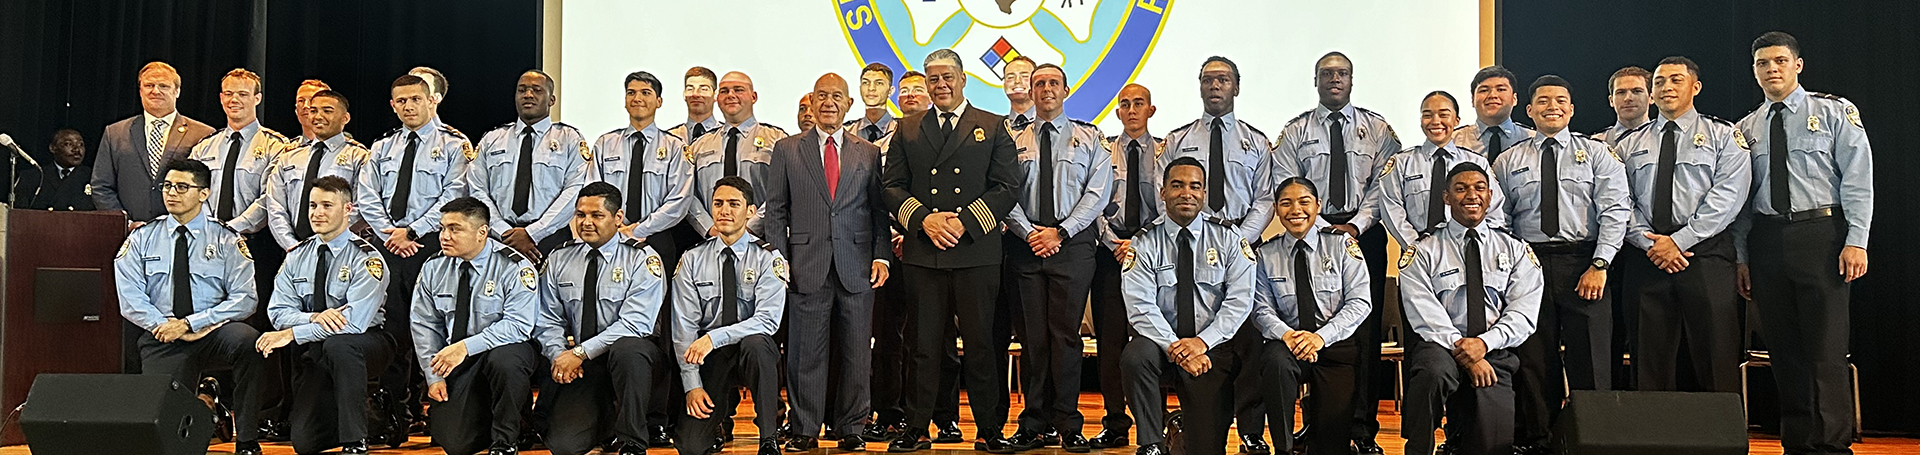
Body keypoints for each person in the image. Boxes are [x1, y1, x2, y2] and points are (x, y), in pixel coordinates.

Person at [1733, 31, 1873, 455]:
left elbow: (1857, 179)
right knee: (1784, 350)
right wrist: (1741, 256)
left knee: (1825, 349)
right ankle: (1796, 443)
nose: (1771, 69)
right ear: (1754, 71)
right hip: (1767, 239)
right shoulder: (1746, 127)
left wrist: (1857, 240)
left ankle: (1831, 445)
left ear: (1798, 65)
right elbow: (1740, 202)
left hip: (1821, 235)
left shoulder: (1832, 112)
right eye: (1762, 63)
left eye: (1779, 60)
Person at [879, 48, 1022, 453]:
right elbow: (891, 186)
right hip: (925, 251)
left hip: (975, 250)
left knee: (981, 346)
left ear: (963, 80)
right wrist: (923, 218)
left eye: (947, 77)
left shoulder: (993, 126)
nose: (940, 85)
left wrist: (965, 222)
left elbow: (1007, 186)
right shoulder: (907, 128)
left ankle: (990, 431)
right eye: (933, 79)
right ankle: (917, 429)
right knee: (922, 346)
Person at [1490, 75, 1631, 455]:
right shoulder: (1508, 161)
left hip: (1584, 262)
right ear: (1529, 110)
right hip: (1529, 265)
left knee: (1593, 360)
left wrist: (1601, 263)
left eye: (1560, 100)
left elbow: (1616, 211)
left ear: (1571, 109)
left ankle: (1595, 441)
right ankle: (1541, 440)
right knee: (1535, 361)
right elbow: (1499, 220)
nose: (1552, 106)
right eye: (1544, 101)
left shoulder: (1598, 154)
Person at [1270, 53, 1402, 454]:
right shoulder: (1295, 131)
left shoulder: (1378, 129)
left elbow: (1385, 185)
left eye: (1341, 73)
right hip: (1310, 228)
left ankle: (1361, 430)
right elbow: (1286, 183)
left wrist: (1355, 226)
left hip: (1366, 233)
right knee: (1310, 321)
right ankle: (1316, 424)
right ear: (1315, 81)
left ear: (1351, 79)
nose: (1334, 80)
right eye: (1326, 74)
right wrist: (1321, 227)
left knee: (1362, 334)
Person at [762, 73, 894, 452]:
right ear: (812, 102)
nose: (829, 103)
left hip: (857, 265)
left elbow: (877, 211)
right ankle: (804, 428)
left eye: (837, 96)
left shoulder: (867, 152)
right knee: (805, 353)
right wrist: (778, 259)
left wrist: (882, 255)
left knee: (856, 352)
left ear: (849, 104)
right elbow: (776, 211)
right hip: (805, 264)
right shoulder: (787, 149)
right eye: (822, 96)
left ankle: (852, 427)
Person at [1615, 56, 1750, 394]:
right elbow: (1619, 201)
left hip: (1705, 254)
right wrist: (1652, 243)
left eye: (1676, 80)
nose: (1666, 88)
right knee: (1648, 358)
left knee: (1716, 354)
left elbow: (1728, 197)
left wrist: (1679, 241)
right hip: (1647, 256)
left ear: (1696, 87)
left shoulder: (1724, 135)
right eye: (1659, 82)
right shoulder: (1629, 143)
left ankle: (1722, 442)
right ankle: (1652, 441)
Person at [113, 158, 263, 455]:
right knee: (168, 438)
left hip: (212, 332)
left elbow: (245, 298)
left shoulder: (226, 239)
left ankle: (246, 438)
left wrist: (193, 323)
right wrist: (164, 325)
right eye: (167, 186)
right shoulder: (143, 237)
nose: (172, 193)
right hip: (163, 334)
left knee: (250, 343)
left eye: (182, 187)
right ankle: (208, 408)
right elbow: (129, 295)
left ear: (204, 193)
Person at [999, 63, 1111, 453]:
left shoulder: (1090, 137)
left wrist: (1060, 232)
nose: (1046, 89)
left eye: (1053, 83)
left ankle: (1068, 423)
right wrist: (1030, 231)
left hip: (1073, 245)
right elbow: (1003, 192)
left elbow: (1098, 193)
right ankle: (1032, 423)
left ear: (1065, 90)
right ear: (1030, 91)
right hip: (1024, 244)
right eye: (1039, 83)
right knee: (1031, 338)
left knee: (1065, 338)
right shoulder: (1010, 139)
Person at [358, 73, 475, 445]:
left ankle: (441, 414)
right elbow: (367, 195)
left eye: (414, 99)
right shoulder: (382, 147)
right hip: (388, 248)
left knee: (436, 329)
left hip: (433, 246)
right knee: (392, 334)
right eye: (400, 101)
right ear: (393, 105)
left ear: (431, 100)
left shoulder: (454, 145)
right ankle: (395, 415)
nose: (408, 106)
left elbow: (454, 194)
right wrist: (391, 233)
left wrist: (413, 232)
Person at [1398, 162, 1542, 455]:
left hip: (1494, 350)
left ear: (1490, 196)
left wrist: (1484, 345)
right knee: (1431, 373)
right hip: (1441, 346)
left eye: (1479, 188)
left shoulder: (1514, 249)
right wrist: (1466, 351)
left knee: (1492, 446)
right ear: (1446, 197)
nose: (1470, 195)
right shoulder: (1424, 250)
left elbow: (1523, 314)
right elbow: (1423, 311)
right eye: (1460, 189)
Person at [1119, 157, 1255, 455]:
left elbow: (1239, 301)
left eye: (1195, 186)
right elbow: (1139, 306)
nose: (1186, 193)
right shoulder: (1144, 242)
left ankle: (1182, 429)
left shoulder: (1228, 238)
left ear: (1204, 193)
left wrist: (1201, 344)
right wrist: (1176, 349)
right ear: (1163, 192)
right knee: (1135, 355)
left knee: (1204, 449)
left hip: (1210, 347)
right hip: (1161, 345)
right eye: (1177, 185)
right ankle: (1151, 442)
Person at [254, 175, 392, 455]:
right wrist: (313, 318)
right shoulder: (297, 255)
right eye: (313, 205)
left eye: (327, 205)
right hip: (314, 345)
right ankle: (377, 418)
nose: (317, 213)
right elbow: (277, 312)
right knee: (306, 443)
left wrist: (294, 332)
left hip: (366, 343)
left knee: (339, 345)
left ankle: (356, 441)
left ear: (348, 209)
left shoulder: (367, 258)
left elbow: (353, 323)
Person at [534, 182, 669, 455]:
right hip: (583, 363)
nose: (586, 222)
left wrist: (580, 353)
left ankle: (632, 440)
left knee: (628, 349)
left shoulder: (641, 258)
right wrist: (559, 355)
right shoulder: (560, 257)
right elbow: (546, 318)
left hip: (633, 361)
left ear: (618, 218)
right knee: (565, 447)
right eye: (581, 215)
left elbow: (636, 323)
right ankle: (604, 427)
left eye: (597, 215)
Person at [410, 197, 543, 455]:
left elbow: (518, 326)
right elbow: (424, 325)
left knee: (507, 360)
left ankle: (508, 438)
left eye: (455, 229)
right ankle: (484, 424)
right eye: (442, 228)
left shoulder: (513, 266)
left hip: (500, 351)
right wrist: (433, 376)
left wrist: (465, 347)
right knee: (456, 445)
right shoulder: (434, 267)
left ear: (482, 232)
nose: (444, 236)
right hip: (456, 360)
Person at [1251, 177, 1370, 455]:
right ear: (1277, 210)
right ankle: (1283, 446)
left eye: (1304, 202)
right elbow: (1260, 309)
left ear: (1317, 206)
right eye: (1286, 203)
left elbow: (1360, 302)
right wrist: (1288, 335)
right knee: (1274, 361)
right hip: (1289, 344)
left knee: (1330, 444)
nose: (1296, 210)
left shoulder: (1341, 246)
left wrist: (1320, 337)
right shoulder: (1266, 254)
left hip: (1334, 346)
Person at [672, 177, 789, 455]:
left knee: (759, 345)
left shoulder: (767, 258)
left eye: (734, 204)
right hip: (710, 356)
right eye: (718, 204)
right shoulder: (691, 259)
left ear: (750, 211)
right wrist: (692, 386)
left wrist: (713, 337)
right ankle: (714, 427)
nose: (724, 211)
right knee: (690, 447)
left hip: (748, 349)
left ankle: (768, 438)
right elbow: (683, 328)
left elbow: (768, 321)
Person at [1086, 82, 1159, 450]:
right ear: (1117, 112)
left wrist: (1141, 245)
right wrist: (1115, 244)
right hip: (1110, 256)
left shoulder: (1165, 152)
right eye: (1125, 104)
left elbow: (1170, 206)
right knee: (1110, 343)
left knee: (1151, 340)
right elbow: (1092, 204)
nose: (1131, 110)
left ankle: (1155, 424)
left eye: (1139, 103)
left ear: (1151, 110)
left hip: (1153, 260)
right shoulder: (1101, 153)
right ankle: (1115, 422)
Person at [469, 70, 591, 259]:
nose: (528, 95)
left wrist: (534, 233)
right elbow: (477, 189)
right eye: (522, 90)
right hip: (499, 237)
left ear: (552, 100)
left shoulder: (569, 139)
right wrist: (503, 232)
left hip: (550, 238)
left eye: (537, 90)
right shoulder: (492, 139)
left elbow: (575, 190)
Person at [93, 61, 217, 226]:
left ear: (177, 91)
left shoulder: (203, 134)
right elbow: (101, 186)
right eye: (149, 85)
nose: (155, 91)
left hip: (186, 233)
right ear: (140, 90)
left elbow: (212, 187)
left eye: (164, 86)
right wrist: (127, 223)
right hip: (130, 236)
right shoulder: (115, 133)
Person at [682, 71, 789, 237]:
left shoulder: (777, 140)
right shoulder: (699, 146)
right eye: (724, 91)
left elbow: (783, 190)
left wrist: (751, 227)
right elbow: (688, 194)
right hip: (711, 242)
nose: (731, 95)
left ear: (753, 97)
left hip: (762, 239)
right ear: (717, 99)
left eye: (738, 90)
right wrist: (709, 228)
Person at [262, 90, 368, 250]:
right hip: (292, 249)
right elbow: (275, 206)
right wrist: (292, 246)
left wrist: (329, 237)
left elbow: (362, 205)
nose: (318, 116)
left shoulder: (359, 157)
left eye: (327, 111)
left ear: (345, 118)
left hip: (339, 248)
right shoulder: (289, 157)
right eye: (313, 111)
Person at [1451, 66, 1536, 162]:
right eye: (1484, 90)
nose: (1492, 95)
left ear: (1514, 99)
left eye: (1500, 90)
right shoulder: (1453, 141)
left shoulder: (1532, 139)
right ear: (1472, 100)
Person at [15, 128, 96, 210]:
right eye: (68, 144)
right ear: (53, 148)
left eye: (81, 144)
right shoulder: (33, 177)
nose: (77, 150)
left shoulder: (93, 177)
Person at [1592, 66, 1653, 146]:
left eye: (1636, 91)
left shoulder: (1665, 139)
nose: (1628, 98)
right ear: (1611, 100)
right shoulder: (1595, 143)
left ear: (1651, 98)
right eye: (1621, 92)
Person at [667, 67, 723, 143]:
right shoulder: (669, 138)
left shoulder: (726, 135)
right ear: (684, 94)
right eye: (690, 89)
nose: (695, 94)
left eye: (703, 89)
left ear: (716, 95)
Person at [848, 63, 898, 145]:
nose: (871, 88)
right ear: (860, 89)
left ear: (890, 91)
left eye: (879, 83)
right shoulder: (847, 132)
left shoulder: (901, 131)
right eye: (865, 83)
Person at [1001, 56, 1038, 128]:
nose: (1017, 81)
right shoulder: (996, 128)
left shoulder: (1051, 124)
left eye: (1025, 76)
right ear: (1004, 85)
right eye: (1010, 77)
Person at [293, 80, 333, 145]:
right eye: (301, 101)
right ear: (296, 110)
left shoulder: (348, 151)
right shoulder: (287, 151)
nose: (305, 106)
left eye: (312, 100)